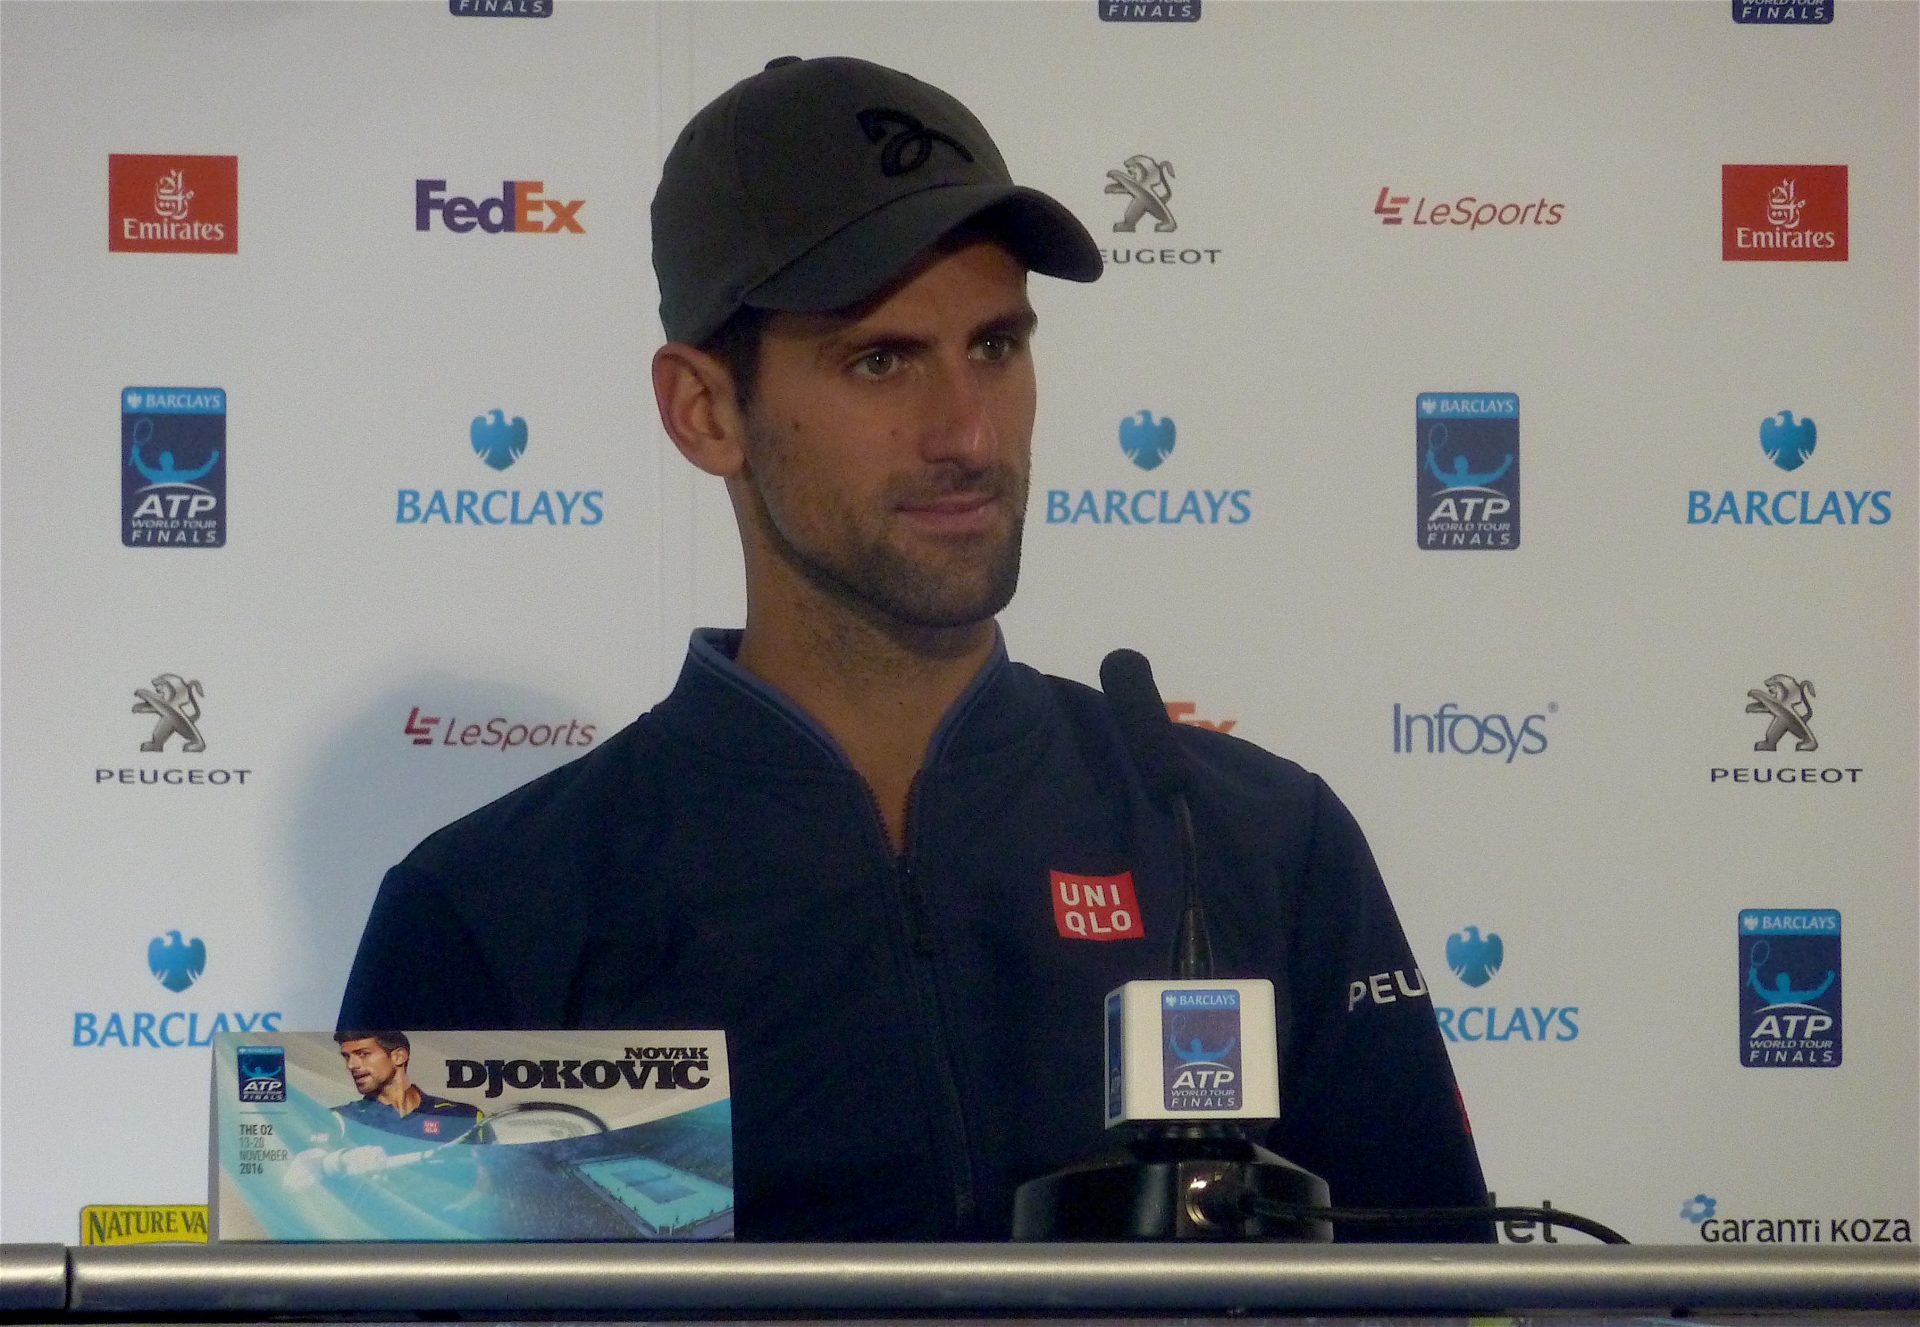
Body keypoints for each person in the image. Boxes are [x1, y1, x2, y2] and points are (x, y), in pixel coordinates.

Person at [342, 55, 1490, 1241]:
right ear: (705, 411)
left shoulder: (1258, 840)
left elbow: (1445, 1296)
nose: (969, 433)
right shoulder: (490, 912)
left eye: (996, 346)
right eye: (880, 360)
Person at [332, 1030, 486, 1145]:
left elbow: (495, 1181)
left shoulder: (464, 1117)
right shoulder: (340, 1120)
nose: (351, 1065)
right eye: (347, 1057)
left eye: (362, 1054)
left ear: (399, 1056)